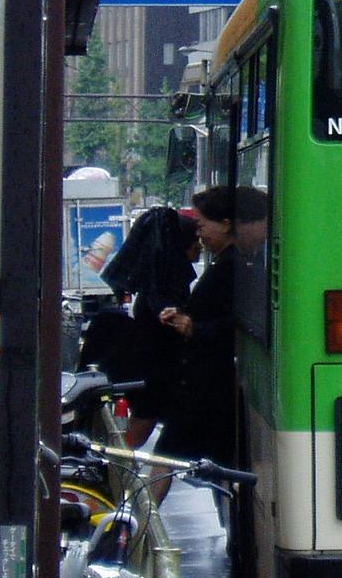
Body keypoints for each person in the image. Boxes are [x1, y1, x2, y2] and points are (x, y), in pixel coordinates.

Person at [88, 205, 199, 430]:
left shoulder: (154, 285)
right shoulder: (168, 289)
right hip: (158, 378)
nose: (200, 245)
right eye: (194, 239)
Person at [157, 186, 238, 466]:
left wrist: (193, 328)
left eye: (202, 224)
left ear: (226, 225)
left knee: (167, 458)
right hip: (204, 383)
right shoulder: (225, 262)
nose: (198, 233)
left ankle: (144, 509)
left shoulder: (232, 266)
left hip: (209, 385)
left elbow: (234, 324)